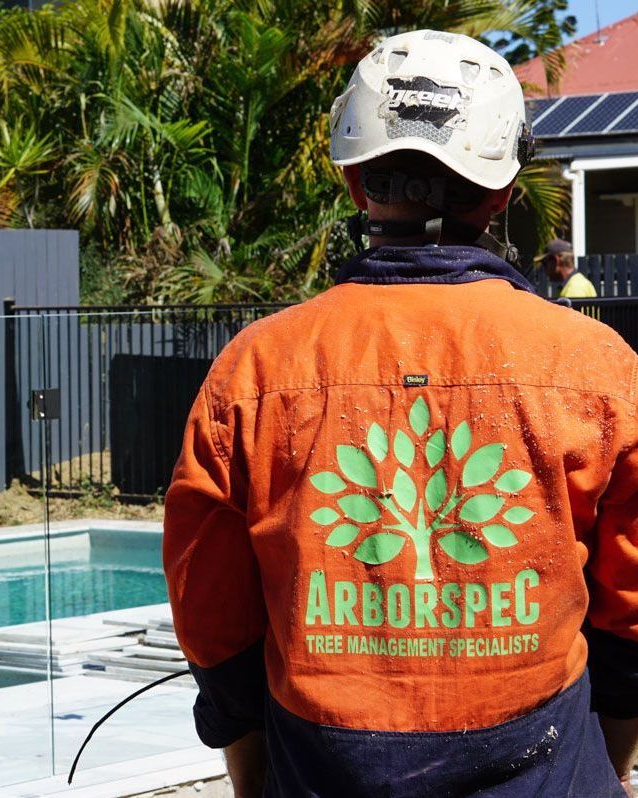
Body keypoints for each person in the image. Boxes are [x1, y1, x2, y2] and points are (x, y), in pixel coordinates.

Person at [163, 28, 638, 798]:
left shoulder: (255, 370)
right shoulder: (593, 367)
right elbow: (628, 619)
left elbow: (213, 620)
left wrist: (251, 776)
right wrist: (608, 765)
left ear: (354, 183)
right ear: (502, 192)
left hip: (319, 769)